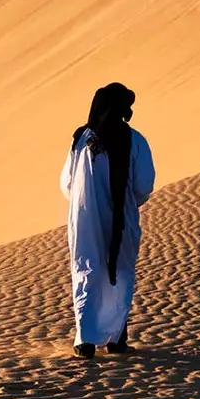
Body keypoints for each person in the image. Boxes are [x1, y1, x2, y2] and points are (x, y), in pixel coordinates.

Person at [59, 82, 156, 358]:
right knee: (120, 274)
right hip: (120, 219)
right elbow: (144, 184)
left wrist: (84, 201)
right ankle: (116, 339)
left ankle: (85, 340)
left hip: (84, 220)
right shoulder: (134, 139)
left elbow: (66, 183)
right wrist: (127, 202)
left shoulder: (80, 139)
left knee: (87, 271)